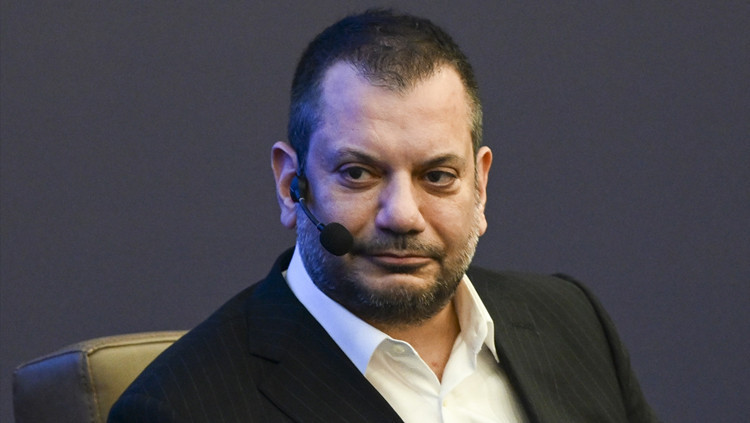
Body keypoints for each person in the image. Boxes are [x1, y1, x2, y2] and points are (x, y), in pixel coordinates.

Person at [109, 9, 659, 423]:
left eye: (437, 176)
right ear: (290, 184)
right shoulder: (178, 408)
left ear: (480, 185)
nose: (403, 216)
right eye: (358, 173)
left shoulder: (573, 321)